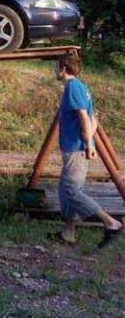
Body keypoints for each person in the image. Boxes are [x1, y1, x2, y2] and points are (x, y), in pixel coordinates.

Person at [54, 54, 123, 247]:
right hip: (76, 148)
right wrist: (90, 140)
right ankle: (68, 233)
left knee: (71, 191)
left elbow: (85, 117)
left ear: (63, 68)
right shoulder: (80, 87)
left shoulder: (73, 88)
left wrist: (89, 145)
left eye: (56, 67)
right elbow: (94, 118)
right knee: (64, 189)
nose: (54, 70)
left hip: (76, 149)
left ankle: (111, 223)